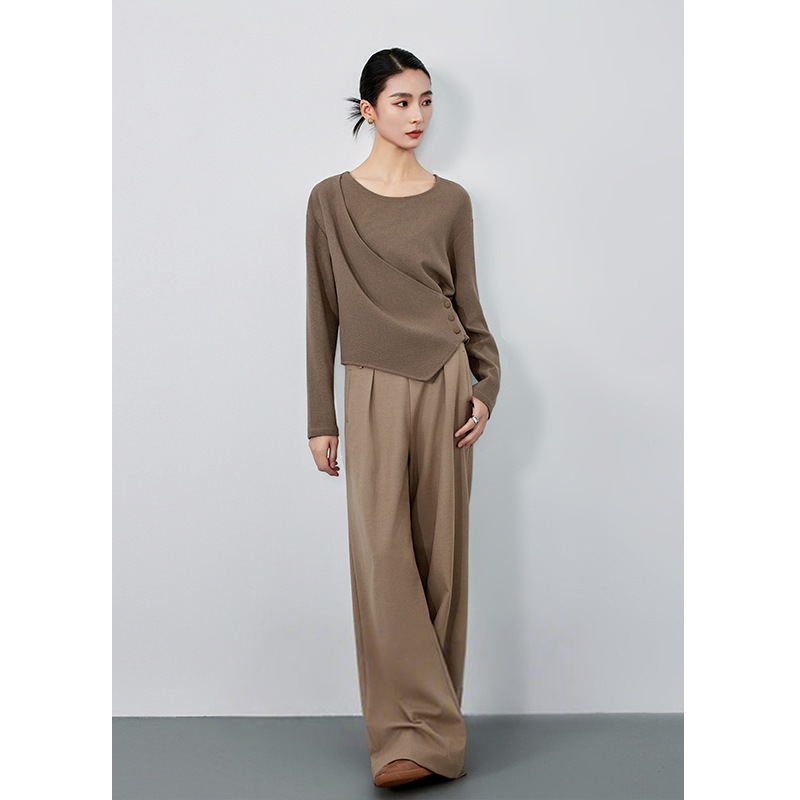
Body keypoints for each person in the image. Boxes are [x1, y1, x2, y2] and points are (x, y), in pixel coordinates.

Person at [305, 47, 501, 789]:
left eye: (426, 101)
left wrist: (487, 385)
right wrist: (320, 416)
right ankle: (402, 737)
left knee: (441, 562)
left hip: (447, 385)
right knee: (383, 560)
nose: (417, 115)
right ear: (368, 110)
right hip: (370, 386)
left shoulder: (451, 202)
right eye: (401, 101)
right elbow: (320, 313)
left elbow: (469, 307)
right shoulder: (329, 201)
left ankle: (434, 739)